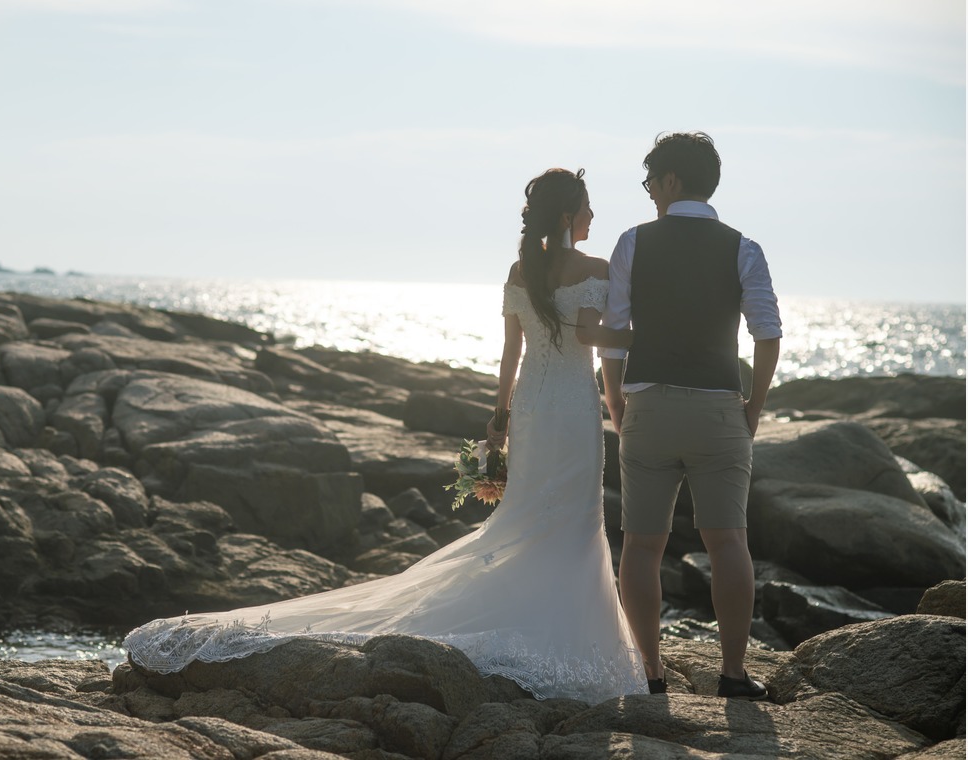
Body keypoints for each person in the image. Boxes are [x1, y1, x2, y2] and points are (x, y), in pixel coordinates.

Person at [123, 168, 649, 702]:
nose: (591, 216)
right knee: (573, 522)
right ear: (566, 216)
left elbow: (511, 356)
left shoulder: (521, 269)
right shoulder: (593, 267)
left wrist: (499, 419)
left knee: (528, 516)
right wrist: (639, 331)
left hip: (534, 409)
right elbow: (587, 333)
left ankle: (536, 619)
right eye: (586, 207)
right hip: (573, 413)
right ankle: (562, 633)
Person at [599, 132, 782, 700]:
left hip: (648, 408)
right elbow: (767, 334)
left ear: (672, 180)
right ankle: (732, 674)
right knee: (728, 542)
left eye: (652, 180)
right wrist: (753, 406)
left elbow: (613, 339)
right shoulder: (742, 247)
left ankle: (650, 675)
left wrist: (616, 401)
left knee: (642, 545)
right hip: (719, 410)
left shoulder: (633, 243)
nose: (649, 191)